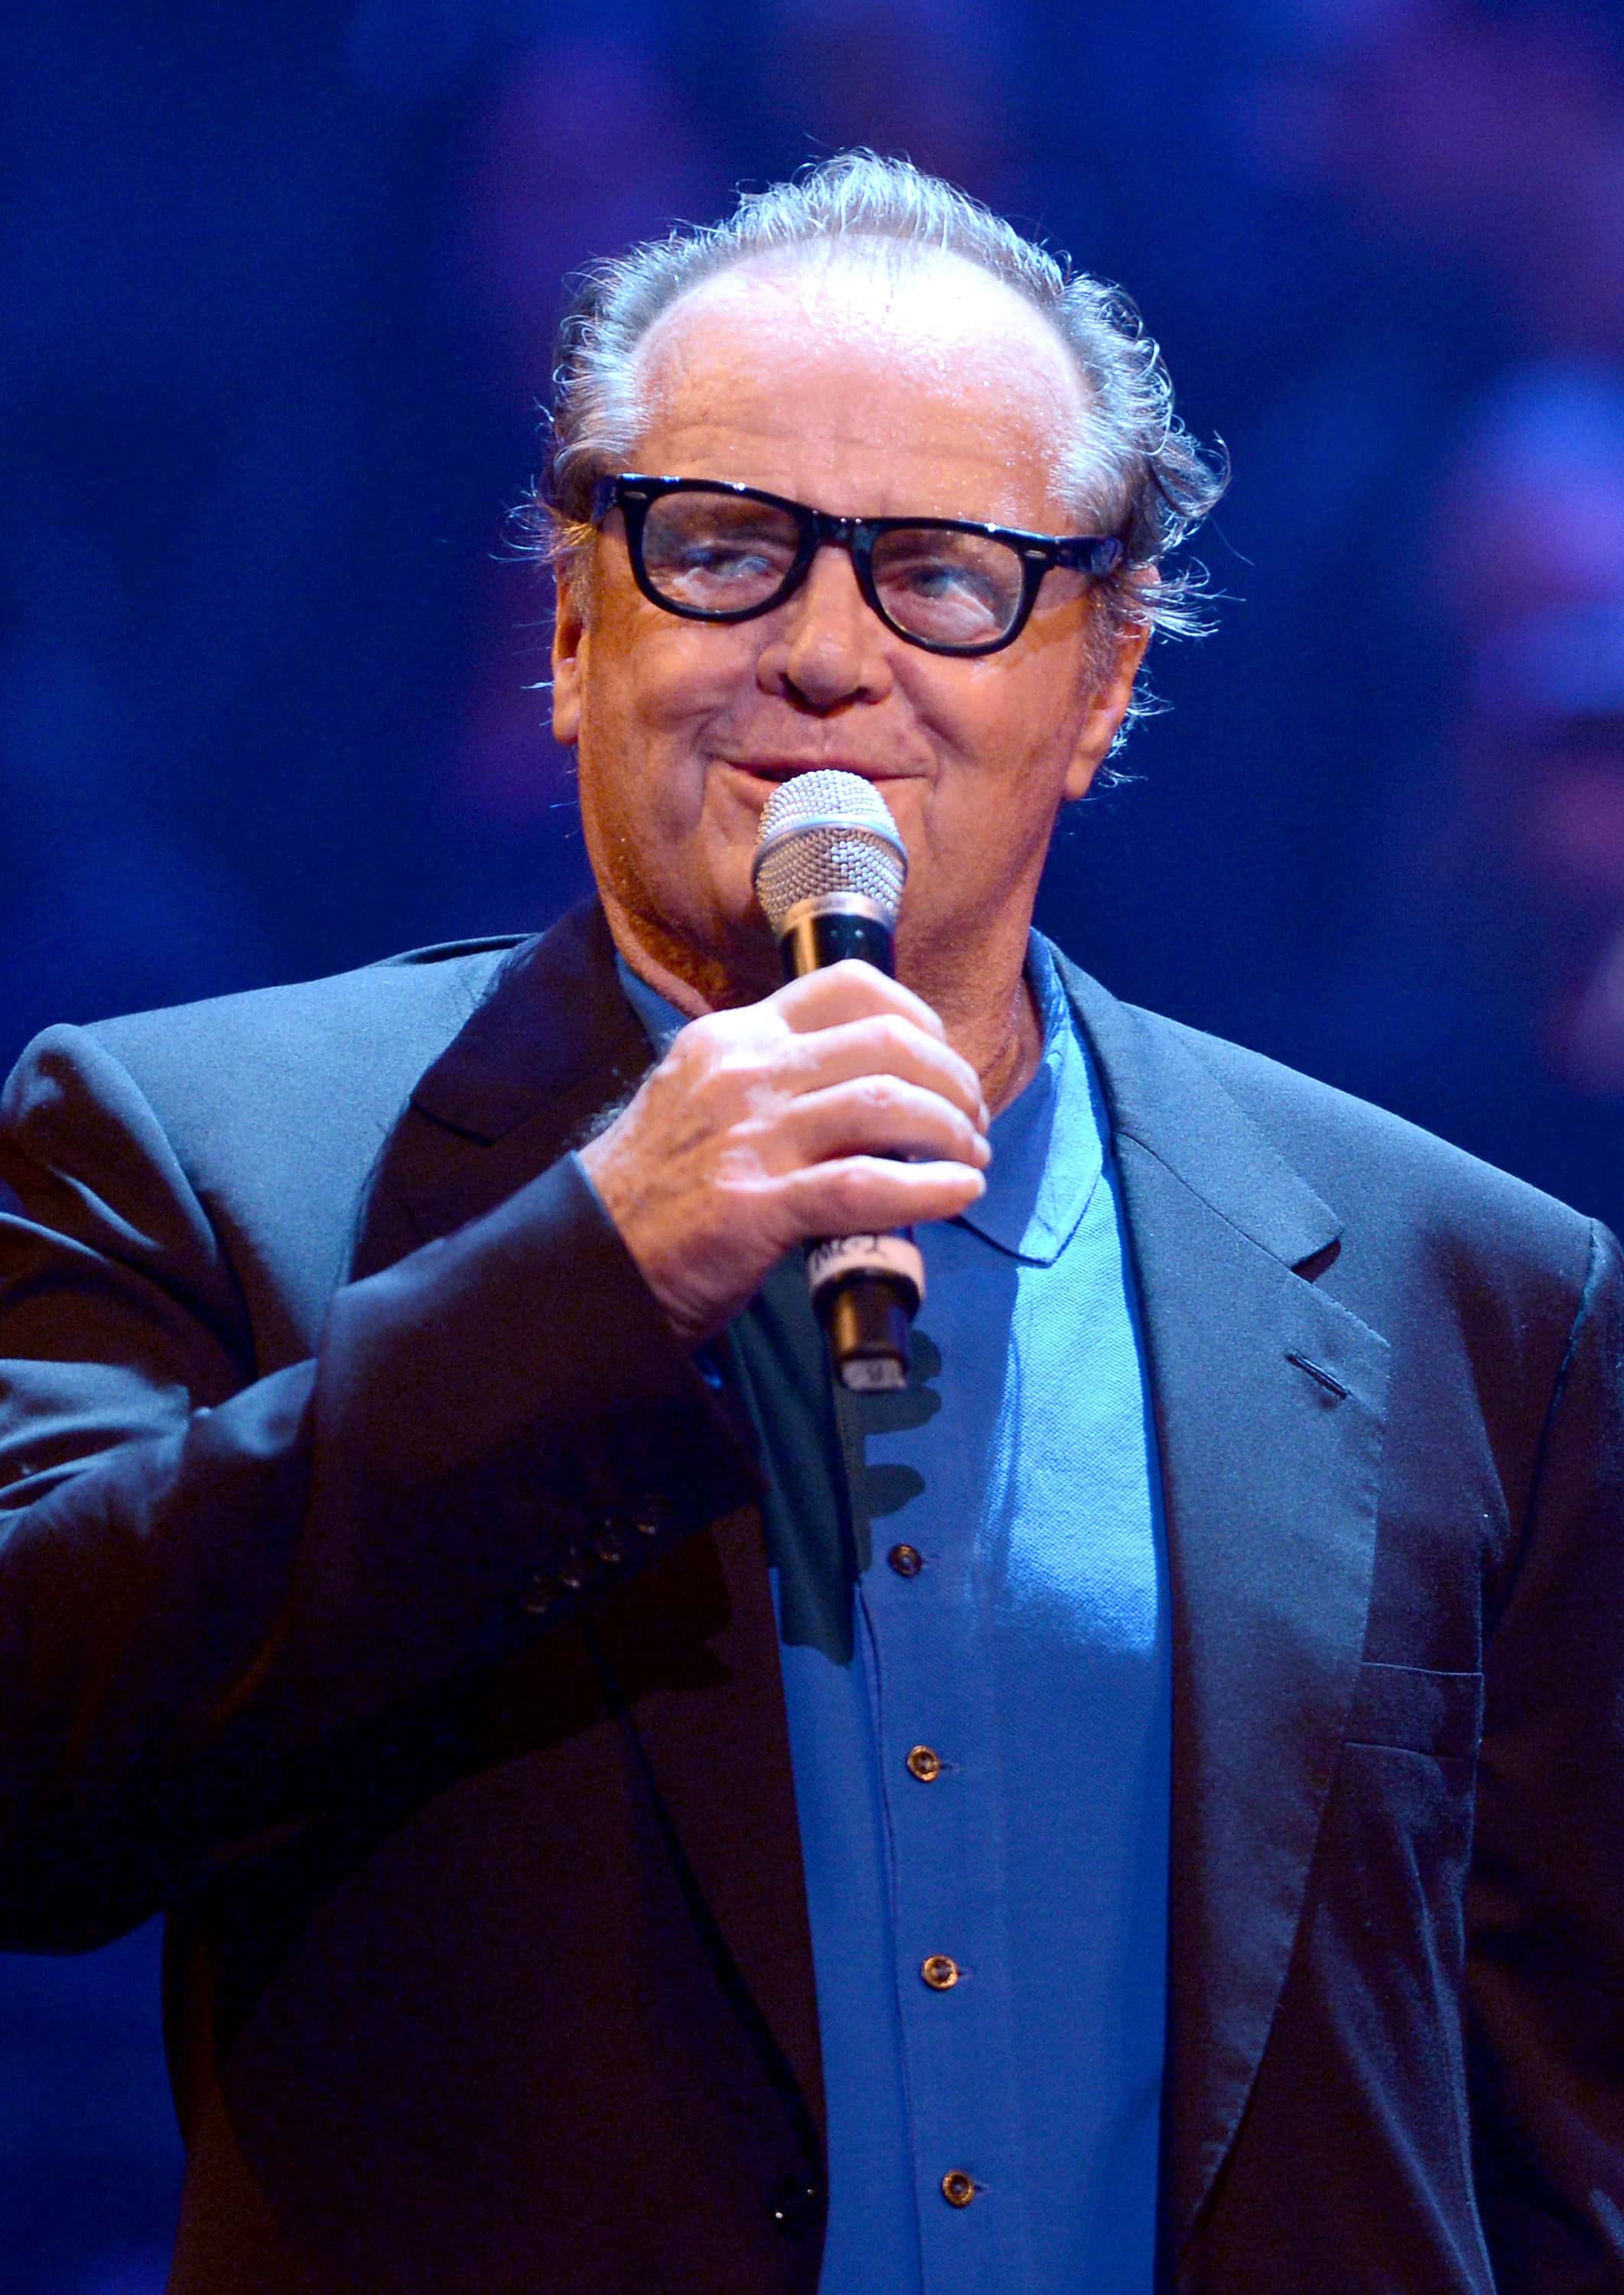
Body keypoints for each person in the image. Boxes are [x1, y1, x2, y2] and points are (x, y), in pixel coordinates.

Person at [1, 153, 1620, 2295]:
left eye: (943, 573)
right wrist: (595, 1272)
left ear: (1103, 679)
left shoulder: (1476, 1292)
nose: (827, 654)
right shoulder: (192, 1143)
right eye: (729, 551)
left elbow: (1544, 2123)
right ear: (576, 629)